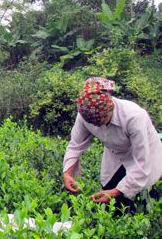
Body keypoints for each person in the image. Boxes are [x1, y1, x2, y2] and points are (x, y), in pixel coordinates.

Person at [63, 77, 162, 211]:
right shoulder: (86, 114)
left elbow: (141, 164)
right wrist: (68, 174)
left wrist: (117, 192)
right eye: (91, 122)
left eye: (100, 120)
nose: (95, 125)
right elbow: (75, 145)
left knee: (143, 203)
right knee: (113, 204)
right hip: (116, 156)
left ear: (111, 108)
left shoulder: (133, 117)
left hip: (146, 156)